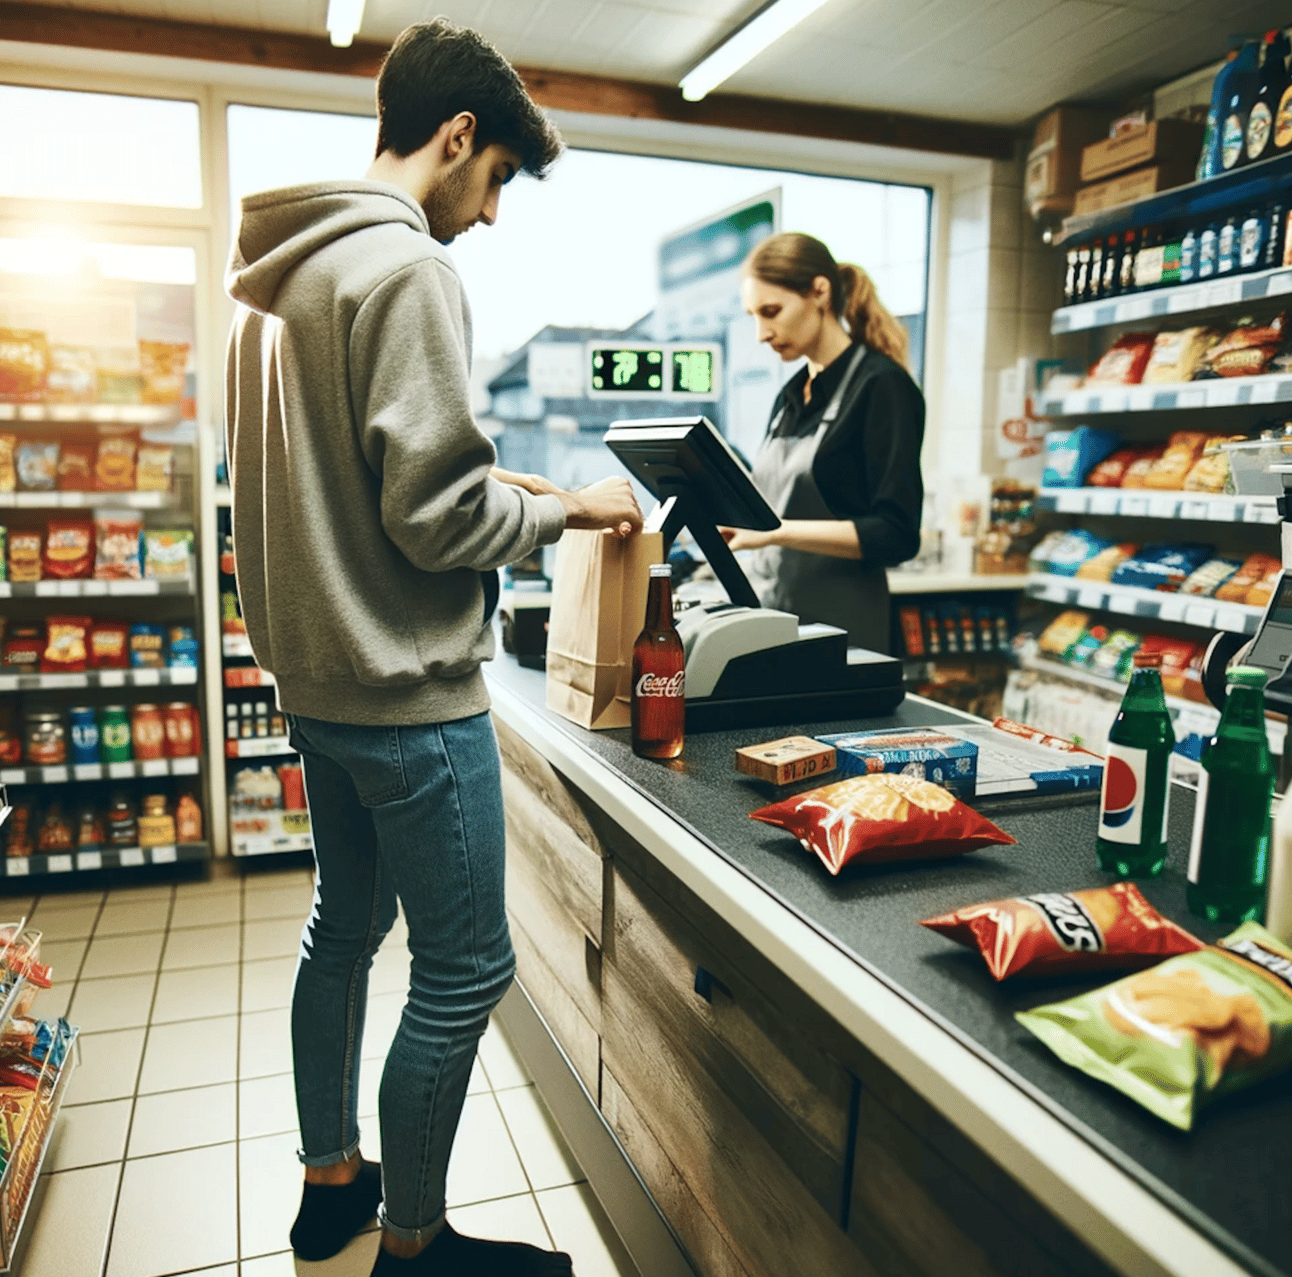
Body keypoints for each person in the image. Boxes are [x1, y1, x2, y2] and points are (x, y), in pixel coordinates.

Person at [223, 19, 641, 1277]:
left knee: (338, 929)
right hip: (410, 698)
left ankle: (327, 1185)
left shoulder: (276, 281)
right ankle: (415, 1244)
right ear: (456, 136)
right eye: (499, 175)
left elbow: (337, 481)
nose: (493, 210)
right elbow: (435, 514)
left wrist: (501, 474)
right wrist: (565, 504)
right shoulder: (406, 270)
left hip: (318, 684)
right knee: (467, 968)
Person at [722, 231, 925, 653]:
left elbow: (896, 534)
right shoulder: (791, 396)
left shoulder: (882, 387)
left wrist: (777, 532)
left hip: (844, 638)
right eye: (753, 316)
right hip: (770, 624)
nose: (761, 333)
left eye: (772, 311)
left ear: (819, 292)